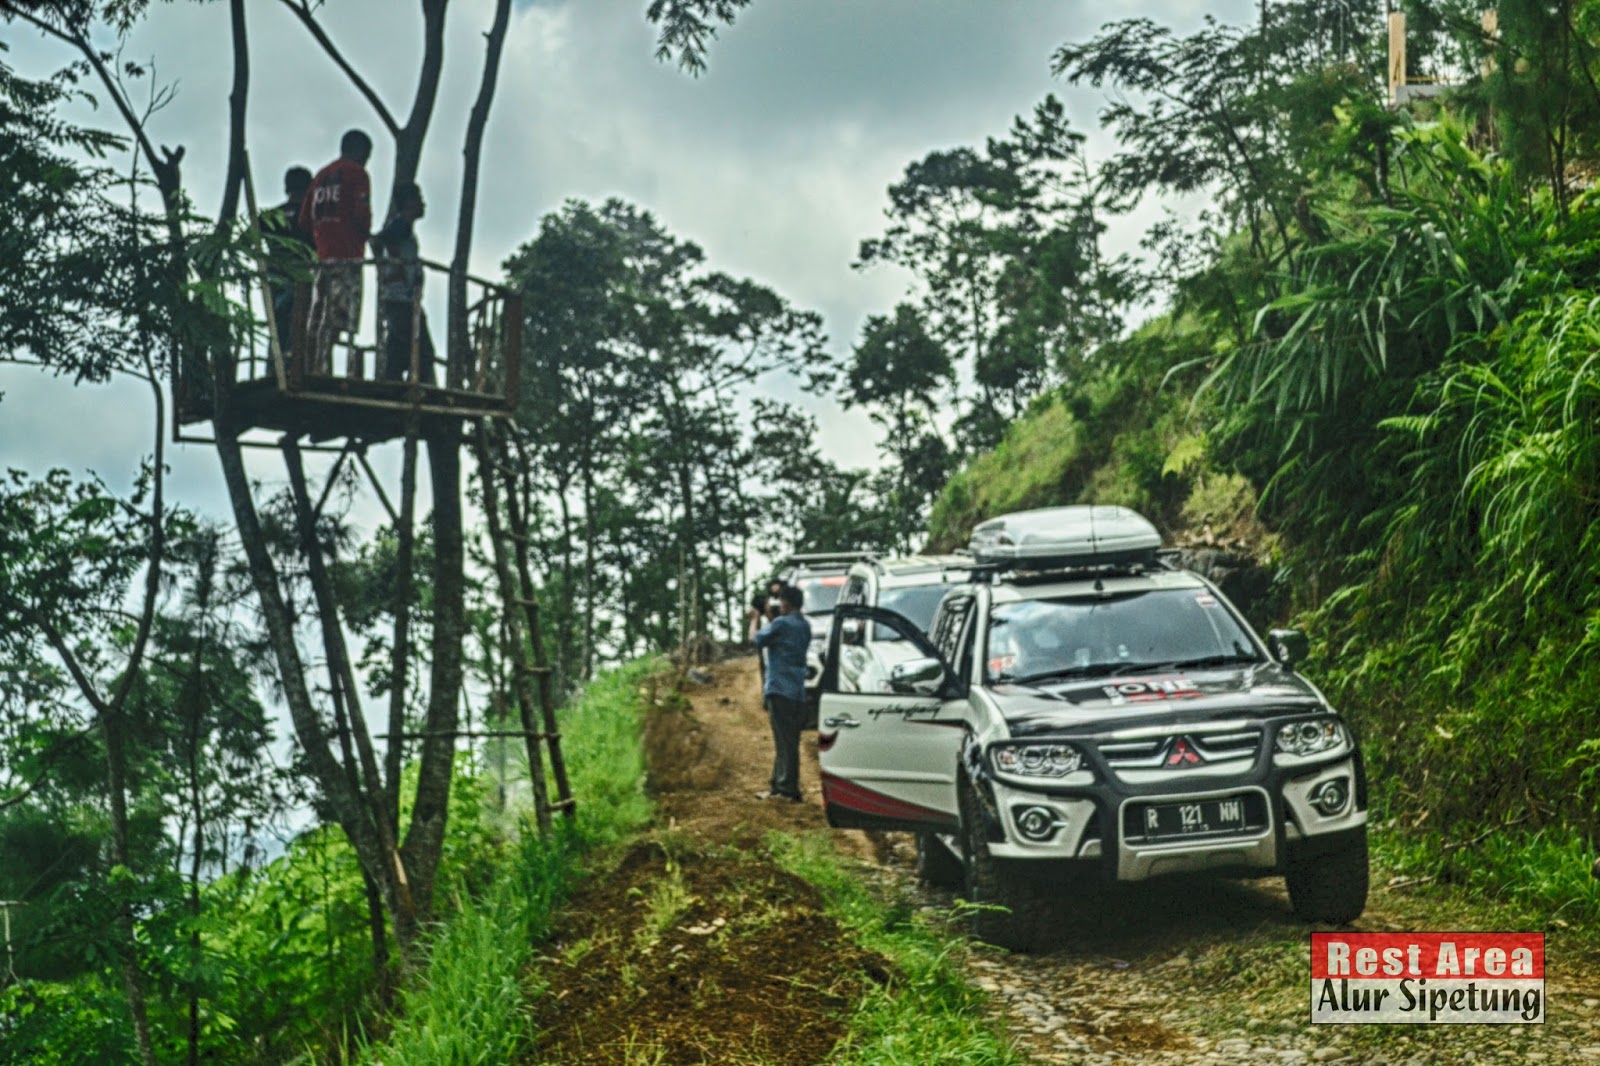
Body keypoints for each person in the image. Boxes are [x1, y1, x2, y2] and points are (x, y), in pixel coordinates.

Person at [299, 129, 373, 375]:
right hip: (347, 258)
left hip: (321, 259)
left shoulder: (320, 176)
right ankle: (326, 369)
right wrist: (365, 233)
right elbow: (361, 216)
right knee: (341, 317)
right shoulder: (357, 174)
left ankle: (313, 366)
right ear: (360, 151)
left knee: (318, 317)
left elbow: (304, 221)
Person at [751, 583, 811, 803]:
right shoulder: (804, 625)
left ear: (785, 602)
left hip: (779, 690)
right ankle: (778, 786)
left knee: (784, 742)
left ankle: (787, 789)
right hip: (797, 691)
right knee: (788, 740)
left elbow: (756, 639)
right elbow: (779, 633)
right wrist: (770, 616)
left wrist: (754, 618)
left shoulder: (781, 623)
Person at [371, 183, 435, 384]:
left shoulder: (403, 228)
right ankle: (416, 388)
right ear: (409, 203)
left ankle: (394, 383)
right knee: (423, 351)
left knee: (399, 348)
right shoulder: (401, 225)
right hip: (402, 298)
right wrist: (393, 267)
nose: (423, 204)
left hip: (402, 298)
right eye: (419, 199)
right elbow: (377, 241)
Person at [262, 166, 313, 357]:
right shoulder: (309, 216)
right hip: (302, 275)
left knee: (278, 324)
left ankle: (275, 366)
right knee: (300, 323)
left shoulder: (271, 216)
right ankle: (295, 363)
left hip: (275, 275)